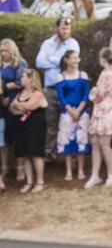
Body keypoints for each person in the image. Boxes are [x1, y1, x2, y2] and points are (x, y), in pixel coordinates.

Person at [35, 15, 80, 157]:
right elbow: (39, 62)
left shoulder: (73, 44)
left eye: (68, 28)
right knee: (51, 123)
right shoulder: (47, 43)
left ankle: (70, 154)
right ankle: (50, 154)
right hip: (50, 89)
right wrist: (57, 60)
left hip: (68, 89)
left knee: (70, 122)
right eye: (63, 28)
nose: (66, 31)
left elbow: (67, 63)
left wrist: (51, 58)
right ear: (57, 28)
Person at [85, 48, 112, 188]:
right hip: (99, 109)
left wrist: (93, 92)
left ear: (103, 59)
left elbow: (100, 93)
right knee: (95, 142)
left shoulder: (111, 74)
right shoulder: (105, 73)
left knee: (104, 143)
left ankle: (111, 174)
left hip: (106, 109)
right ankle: (95, 175)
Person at [9, 69, 48, 193]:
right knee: (25, 154)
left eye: (24, 77)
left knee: (36, 153)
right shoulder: (20, 93)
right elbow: (11, 108)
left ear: (31, 79)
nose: (21, 78)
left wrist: (18, 105)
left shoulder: (38, 94)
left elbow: (30, 106)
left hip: (36, 126)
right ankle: (29, 181)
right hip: (22, 126)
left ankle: (40, 182)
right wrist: (20, 107)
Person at [55, 49, 91, 181]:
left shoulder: (83, 75)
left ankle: (81, 169)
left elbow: (86, 95)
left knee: (81, 140)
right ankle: (69, 170)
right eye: (73, 58)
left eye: (77, 58)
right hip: (67, 113)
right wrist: (71, 111)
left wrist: (79, 110)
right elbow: (61, 97)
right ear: (66, 60)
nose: (76, 60)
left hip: (82, 112)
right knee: (67, 140)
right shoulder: (60, 77)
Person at [0, 38, 27, 180]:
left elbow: (19, 83)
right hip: (1, 105)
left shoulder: (19, 64)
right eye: (1, 51)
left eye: (6, 51)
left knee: (17, 137)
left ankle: (20, 168)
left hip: (14, 103)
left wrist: (3, 87)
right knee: (3, 138)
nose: (4, 54)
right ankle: (4, 167)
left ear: (12, 50)